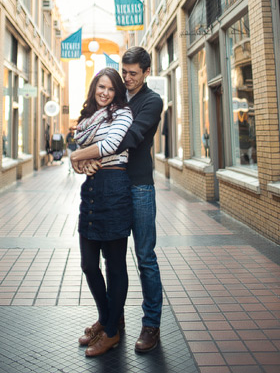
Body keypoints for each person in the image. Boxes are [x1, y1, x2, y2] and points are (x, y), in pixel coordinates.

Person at [75, 47, 164, 353]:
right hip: (111, 185)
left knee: (144, 257)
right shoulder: (120, 96)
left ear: (146, 72)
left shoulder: (151, 101)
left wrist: (84, 155)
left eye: (133, 74)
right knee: (114, 261)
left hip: (138, 186)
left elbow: (127, 138)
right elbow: (91, 128)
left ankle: (151, 324)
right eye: (123, 72)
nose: (127, 78)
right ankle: (114, 320)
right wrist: (87, 162)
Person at [69, 68, 133, 357]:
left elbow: (109, 146)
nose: (105, 92)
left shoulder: (123, 114)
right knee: (88, 264)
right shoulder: (86, 120)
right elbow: (85, 144)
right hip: (93, 189)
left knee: (115, 263)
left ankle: (109, 332)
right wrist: (84, 164)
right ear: (94, 88)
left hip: (115, 187)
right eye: (101, 87)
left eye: (110, 88)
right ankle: (108, 320)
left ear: (117, 91)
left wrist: (76, 158)